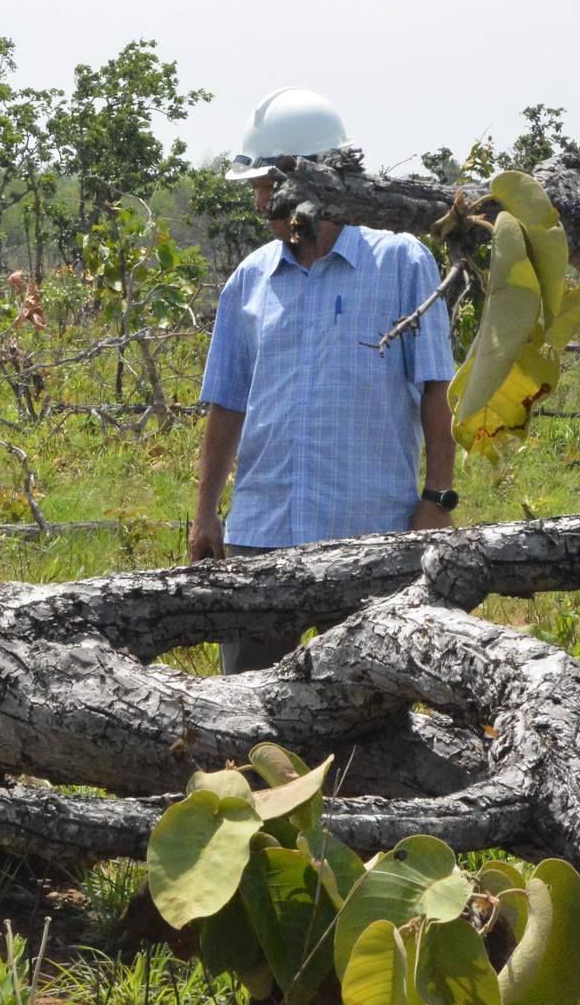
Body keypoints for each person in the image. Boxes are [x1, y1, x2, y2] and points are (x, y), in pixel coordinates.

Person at [187, 87, 459, 673]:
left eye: (269, 184)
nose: (261, 202)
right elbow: (228, 404)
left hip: (370, 531)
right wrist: (207, 511)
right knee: (248, 706)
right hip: (262, 531)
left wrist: (437, 500)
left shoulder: (402, 262)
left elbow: (437, 389)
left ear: (315, 180)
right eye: (259, 186)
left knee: (371, 708)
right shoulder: (250, 278)